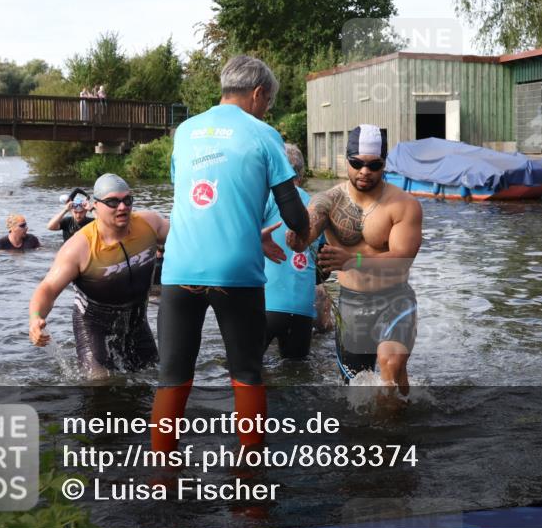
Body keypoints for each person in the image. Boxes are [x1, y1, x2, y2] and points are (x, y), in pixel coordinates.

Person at [151, 55, 310, 455]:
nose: (266, 108)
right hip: (236, 273)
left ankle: (161, 473)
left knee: (172, 377)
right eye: (268, 101)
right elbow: (293, 213)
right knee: (247, 374)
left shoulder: (185, 131)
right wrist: (302, 235)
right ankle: (249, 471)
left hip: (179, 269)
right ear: (258, 94)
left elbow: (199, 204)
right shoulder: (264, 134)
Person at [288, 124, 422, 394]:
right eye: (357, 163)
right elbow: (305, 234)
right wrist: (297, 237)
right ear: (346, 160)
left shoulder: (404, 205)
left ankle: (395, 417)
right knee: (356, 392)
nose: (364, 171)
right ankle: (399, 407)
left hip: (394, 300)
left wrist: (353, 260)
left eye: (374, 165)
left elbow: (401, 259)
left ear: (384, 164)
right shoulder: (328, 201)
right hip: (351, 306)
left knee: (389, 364)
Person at [28, 173, 169, 378]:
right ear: (95, 206)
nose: (122, 207)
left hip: (136, 321)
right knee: (100, 384)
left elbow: (186, 239)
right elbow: (47, 288)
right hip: (94, 326)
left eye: (127, 200)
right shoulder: (79, 247)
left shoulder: (149, 224)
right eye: (112, 202)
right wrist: (35, 319)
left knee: (154, 375)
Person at [262, 143, 327, 359]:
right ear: (301, 174)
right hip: (302, 311)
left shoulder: (267, 197)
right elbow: (323, 268)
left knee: (244, 370)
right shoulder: (317, 206)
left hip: (266, 305)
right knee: (296, 372)